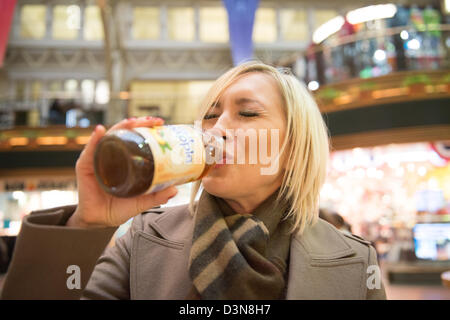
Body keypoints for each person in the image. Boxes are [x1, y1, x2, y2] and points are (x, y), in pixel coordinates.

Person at [0, 62, 386, 300]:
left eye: (248, 114)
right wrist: (87, 223)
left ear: (294, 148)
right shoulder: (142, 239)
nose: (216, 129)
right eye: (210, 115)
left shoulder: (355, 260)